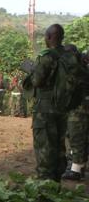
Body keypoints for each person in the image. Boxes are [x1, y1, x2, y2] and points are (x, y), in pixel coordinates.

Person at [30, 24, 78, 181]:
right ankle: (55, 185)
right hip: (63, 107)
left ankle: (44, 187)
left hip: (45, 109)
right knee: (59, 148)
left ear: (49, 37)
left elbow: (37, 81)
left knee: (45, 148)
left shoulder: (47, 56)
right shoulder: (70, 56)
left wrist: (31, 70)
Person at [62, 44, 89, 180]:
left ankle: (76, 170)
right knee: (78, 137)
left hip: (79, 108)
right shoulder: (80, 68)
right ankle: (79, 167)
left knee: (76, 136)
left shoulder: (77, 70)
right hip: (79, 107)